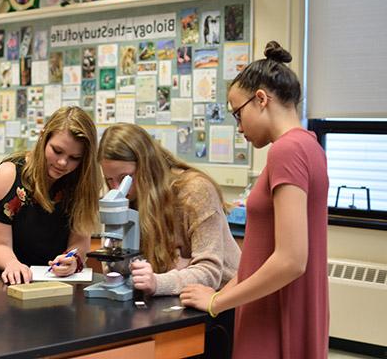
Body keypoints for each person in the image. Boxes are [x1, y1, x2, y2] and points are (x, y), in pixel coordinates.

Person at [180, 41, 329, 358]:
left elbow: (290, 260)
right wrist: (221, 291)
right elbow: (264, 256)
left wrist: (217, 302)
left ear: (261, 99)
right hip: (279, 303)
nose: (239, 128)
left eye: (238, 114)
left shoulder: (286, 150)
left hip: (274, 312)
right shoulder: (309, 145)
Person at [98, 123, 241, 296]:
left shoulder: (195, 191)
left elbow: (209, 272)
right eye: (109, 180)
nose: (118, 189)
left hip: (222, 298)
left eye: (124, 179)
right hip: (171, 297)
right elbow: (116, 263)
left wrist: (158, 281)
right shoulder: (130, 197)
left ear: (147, 167)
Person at [0, 106, 101, 285]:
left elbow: (80, 242)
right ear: (43, 136)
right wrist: (12, 264)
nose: (62, 163)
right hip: (12, 282)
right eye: (57, 151)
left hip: (59, 284)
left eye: (74, 158)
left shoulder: (81, 182)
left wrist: (73, 259)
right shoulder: (8, 176)